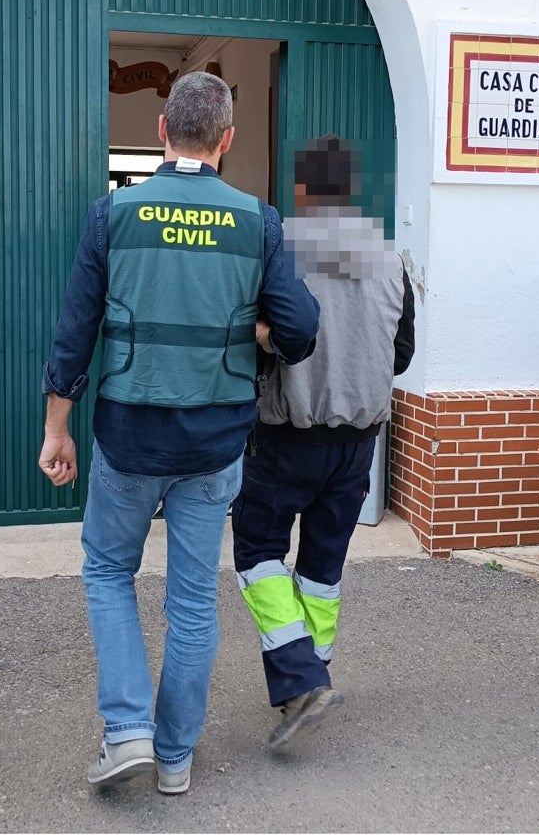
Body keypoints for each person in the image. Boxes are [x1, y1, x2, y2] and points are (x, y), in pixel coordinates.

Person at [38, 72, 319, 795]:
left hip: (130, 437)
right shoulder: (258, 221)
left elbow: (75, 334)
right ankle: (174, 759)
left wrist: (57, 429)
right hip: (217, 443)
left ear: (163, 131)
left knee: (107, 572)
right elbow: (300, 331)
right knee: (192, 597)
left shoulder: (113, 215)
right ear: (227, 140)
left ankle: (127, 730)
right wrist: (252, 331)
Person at [231, 134, 416, 749]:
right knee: (323, 567)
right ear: (353, 189)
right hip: (358, 443)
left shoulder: (281, 250)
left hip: (286, 436)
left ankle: (303, 679)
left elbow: (257, 338)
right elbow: (403, 355)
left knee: (258, 553)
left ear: (304, 191)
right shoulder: (393, 260)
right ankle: (310, 678)